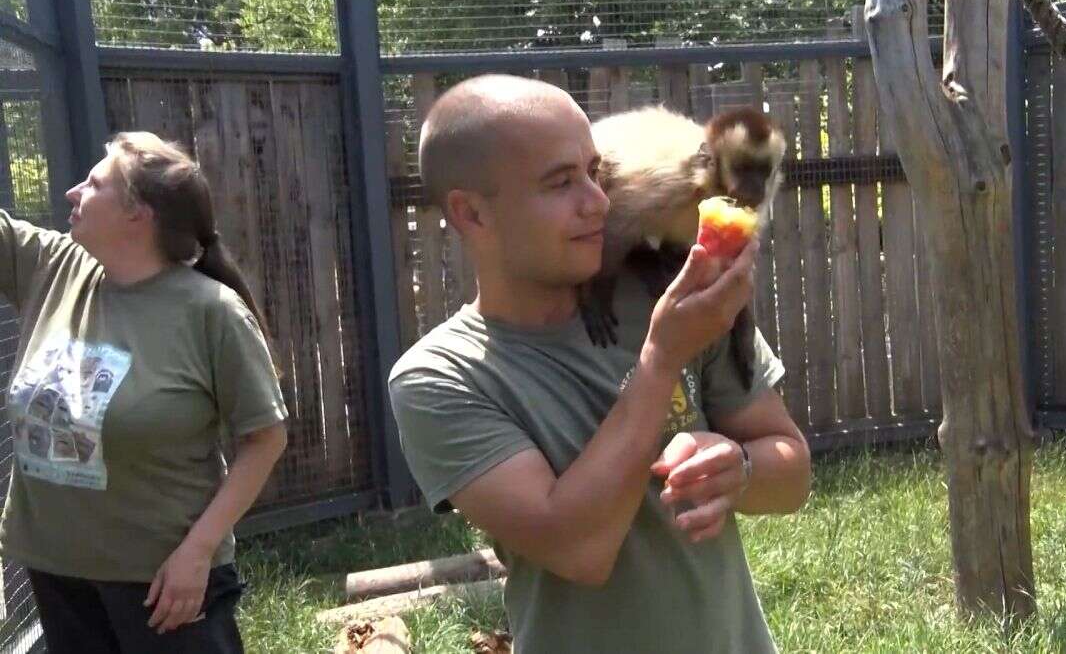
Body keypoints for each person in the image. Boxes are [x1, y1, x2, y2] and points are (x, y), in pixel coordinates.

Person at [388, 74, 812, 653]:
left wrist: (739, 468)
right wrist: (662, 357)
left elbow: (792, 477)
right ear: (471, 214)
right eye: (562, 183)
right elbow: (579, 551)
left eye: (595, 171)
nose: (601, 199)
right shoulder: (443, 377)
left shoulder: (669, 293)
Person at [0, 131, 289, 653]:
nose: (71, 193)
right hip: (55, 566)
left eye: (93, 184)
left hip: (163, 582)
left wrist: (197, 552)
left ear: (139, 214)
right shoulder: (53, 267)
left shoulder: (212, 312)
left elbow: (265, 437)